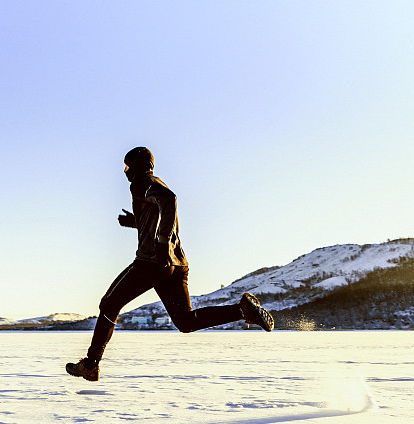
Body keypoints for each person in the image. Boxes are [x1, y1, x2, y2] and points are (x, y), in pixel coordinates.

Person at [66, 146, 273, 382]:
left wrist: (161, 243)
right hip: (176, 263)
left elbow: (169, 200)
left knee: (109, 304)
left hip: (152, 262)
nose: (124, 172)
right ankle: (242, 310)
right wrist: (135, 221)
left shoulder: (142, 182)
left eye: (127, 166)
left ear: (136, 166)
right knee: (185, 321)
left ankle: (91, 365)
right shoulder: (153, 182)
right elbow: (161, 211)